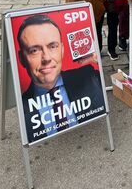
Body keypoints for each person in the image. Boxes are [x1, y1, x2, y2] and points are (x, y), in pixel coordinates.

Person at [17, 14, 105, 143]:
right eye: (34, 50)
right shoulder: (23, 106)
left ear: (62, 50)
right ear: (21, 58)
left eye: (53, 46)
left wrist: (97, 61)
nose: (46, 58)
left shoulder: (88, 77)